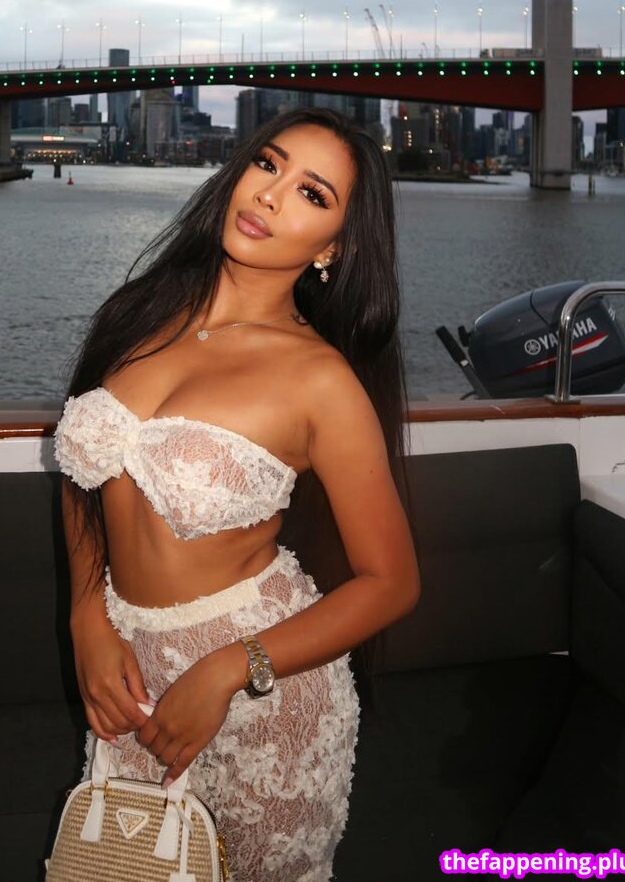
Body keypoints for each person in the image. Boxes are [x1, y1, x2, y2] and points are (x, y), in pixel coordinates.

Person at [54, 106, 420, 881]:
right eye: (267, 164)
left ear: (333, 247)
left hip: (263, 695)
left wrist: (229, 668)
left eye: (312, 193)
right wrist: (86, 615)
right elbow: (84, 478)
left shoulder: (320, 381)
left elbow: (391, 582)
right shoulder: (137, 315)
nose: (270, 194)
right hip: (126, 673)